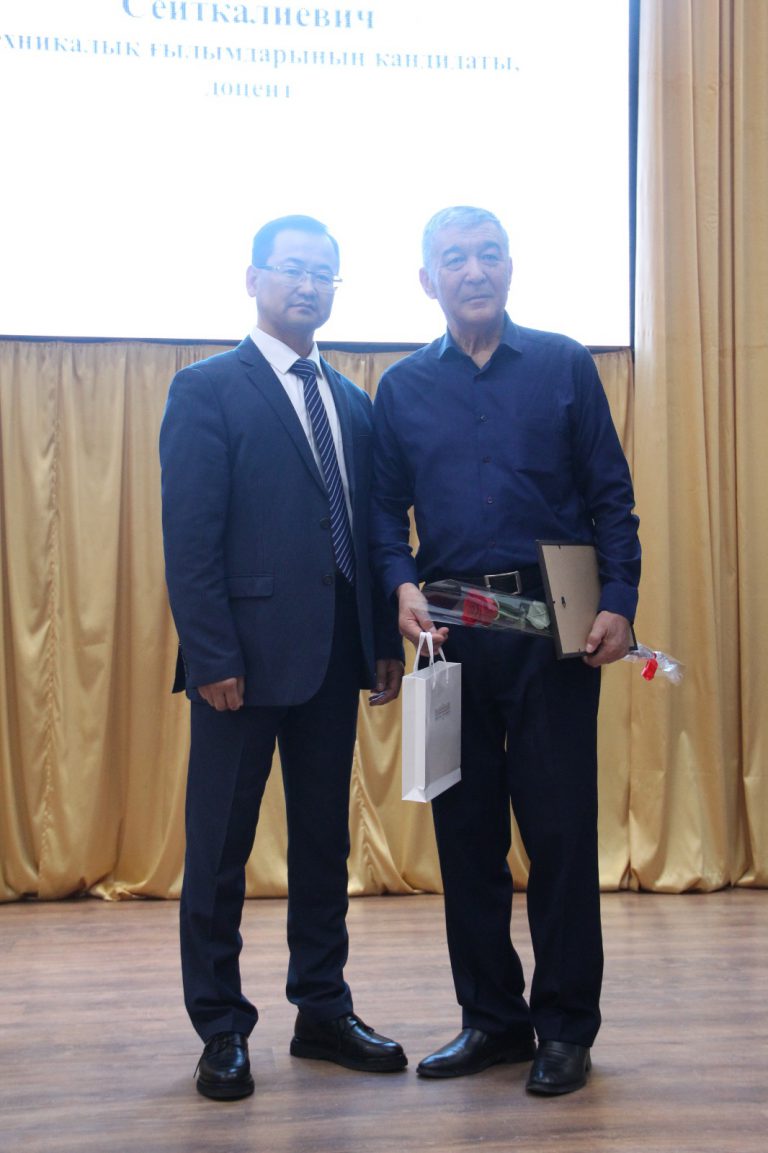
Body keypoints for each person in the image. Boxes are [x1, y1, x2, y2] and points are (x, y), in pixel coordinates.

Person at [370, 206, 640, 1096]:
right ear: (429, 280)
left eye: (489, 254)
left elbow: (611, 499)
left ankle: (565, 1026)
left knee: (559, 832)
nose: (475, 270)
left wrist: (619, 601)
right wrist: (400, 584)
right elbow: (384, 515)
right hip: (448, 635)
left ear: (511, 267)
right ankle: (491, 1018)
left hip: (554, 626)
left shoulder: (564, 364)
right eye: (455, 258)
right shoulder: (402, 388)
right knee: (466, 835)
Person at [160, 214, 407, 1100]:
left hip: (335, 656)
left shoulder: (352, 402)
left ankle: (323, 1009)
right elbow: (190, 539)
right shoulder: (206, 389)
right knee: (219, 847)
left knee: (322, 841)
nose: (308, 285)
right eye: (293, 269)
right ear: (254, 278)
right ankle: (221, 1025)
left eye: (324, 273)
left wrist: (380, 643)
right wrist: (211, 653)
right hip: (240, 664)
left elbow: (370, 534)